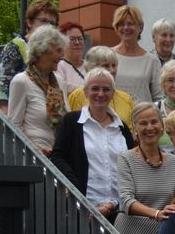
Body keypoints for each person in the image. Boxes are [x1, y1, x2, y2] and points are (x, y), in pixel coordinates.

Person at [51, 67, 135, 219]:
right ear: (85, 92)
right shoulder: (71, 121)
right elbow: (58, 157)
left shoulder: (122, 128)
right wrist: (73, 184)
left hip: (119, 210)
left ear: (113, 93)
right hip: (83, 208)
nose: (100, 94)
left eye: (106, 89)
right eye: (95, 88)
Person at [114, 102, 175, 234]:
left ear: (161, 126)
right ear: (135, 129)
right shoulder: (125, 158)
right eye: (143, 123)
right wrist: (157, 213)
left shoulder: (173, 161)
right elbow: (126, 200)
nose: (150, 127)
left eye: (154, 122)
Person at [7, 25, 68, 154]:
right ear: (42, 51)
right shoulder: (21, 81)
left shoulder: (59, 82)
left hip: (59, 156)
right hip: (33, 157)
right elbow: (14, 128)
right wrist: (36, 150)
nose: (62, 56)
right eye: (58, 51)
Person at [0, 0, 57, 113]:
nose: (48, 26)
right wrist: (5, 117)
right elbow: (2, 86)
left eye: (52, 23)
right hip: (18, 110)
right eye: (43, 21)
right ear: (29, 22)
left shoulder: (53, 50)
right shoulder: (16, 46)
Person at [67, 46, 133, 127]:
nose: (112, 70)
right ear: (92, 68)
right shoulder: (77, 95)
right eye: (106, 66)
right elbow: (70, 125)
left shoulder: (126, 99)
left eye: (114, 65)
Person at [110, 4, 162, 103]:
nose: (126, 27)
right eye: (121, 24)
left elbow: (159, 98)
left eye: (130, 24)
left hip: (143, 113)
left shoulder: (152, 61)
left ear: (140, 27)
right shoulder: (107, 56)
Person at [55, 21, 86, 99]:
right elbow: (61, 86)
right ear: (62, 43)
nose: (77, 42)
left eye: (80, 39)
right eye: (72, 39)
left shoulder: (91, 66)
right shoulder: (57, 65)